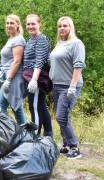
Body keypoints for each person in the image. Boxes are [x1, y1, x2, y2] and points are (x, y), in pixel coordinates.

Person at [50, 16, 85, 159]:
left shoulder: (76, 43)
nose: (62, 28)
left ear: (70, 27)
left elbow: (78, 65)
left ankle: (74, 147)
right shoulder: (59, 43)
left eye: (65, 25)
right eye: (59, 26)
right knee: (61, 116)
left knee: (61, 116)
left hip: (69, 86)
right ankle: (65, 145)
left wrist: (72, 87)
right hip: (56, 85)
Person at [23, 14, 52, 136]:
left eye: (33, 23)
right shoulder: (30, 40)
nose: (30, 26)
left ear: (39, 24)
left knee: (34, 107)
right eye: (28, 24)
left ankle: (35, 137)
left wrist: (34, 79)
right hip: (30, 77)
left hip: (38, 78)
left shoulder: (41, 39)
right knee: (41, 105)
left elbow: (39, 60)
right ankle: (48, 133)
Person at [0, 14, 27, 125]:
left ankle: (11, 130)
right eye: (7, 23)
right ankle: (26, 135)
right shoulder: (11, 38)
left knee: (0, 106)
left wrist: (8, 79)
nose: (9, 25)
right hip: (8, 76)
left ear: (18, 25)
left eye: (12, 23)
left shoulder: (18, 39)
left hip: (13, 77)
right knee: (16, 107)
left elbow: (17, 61)